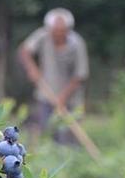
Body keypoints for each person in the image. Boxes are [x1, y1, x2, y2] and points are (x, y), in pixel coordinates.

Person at [19, 8, 89, 143]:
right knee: (48, 132)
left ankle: (70, 161)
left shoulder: (77, 44)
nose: (58, 35)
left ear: (68, 30)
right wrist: (32, 68)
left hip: (70, 99)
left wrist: (62, 98)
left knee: (67, 137)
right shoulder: (43, 36)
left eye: (62, 31)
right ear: (49, 29)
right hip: (46, 94)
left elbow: (80, 75)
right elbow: (24, 51)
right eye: (55, 31)